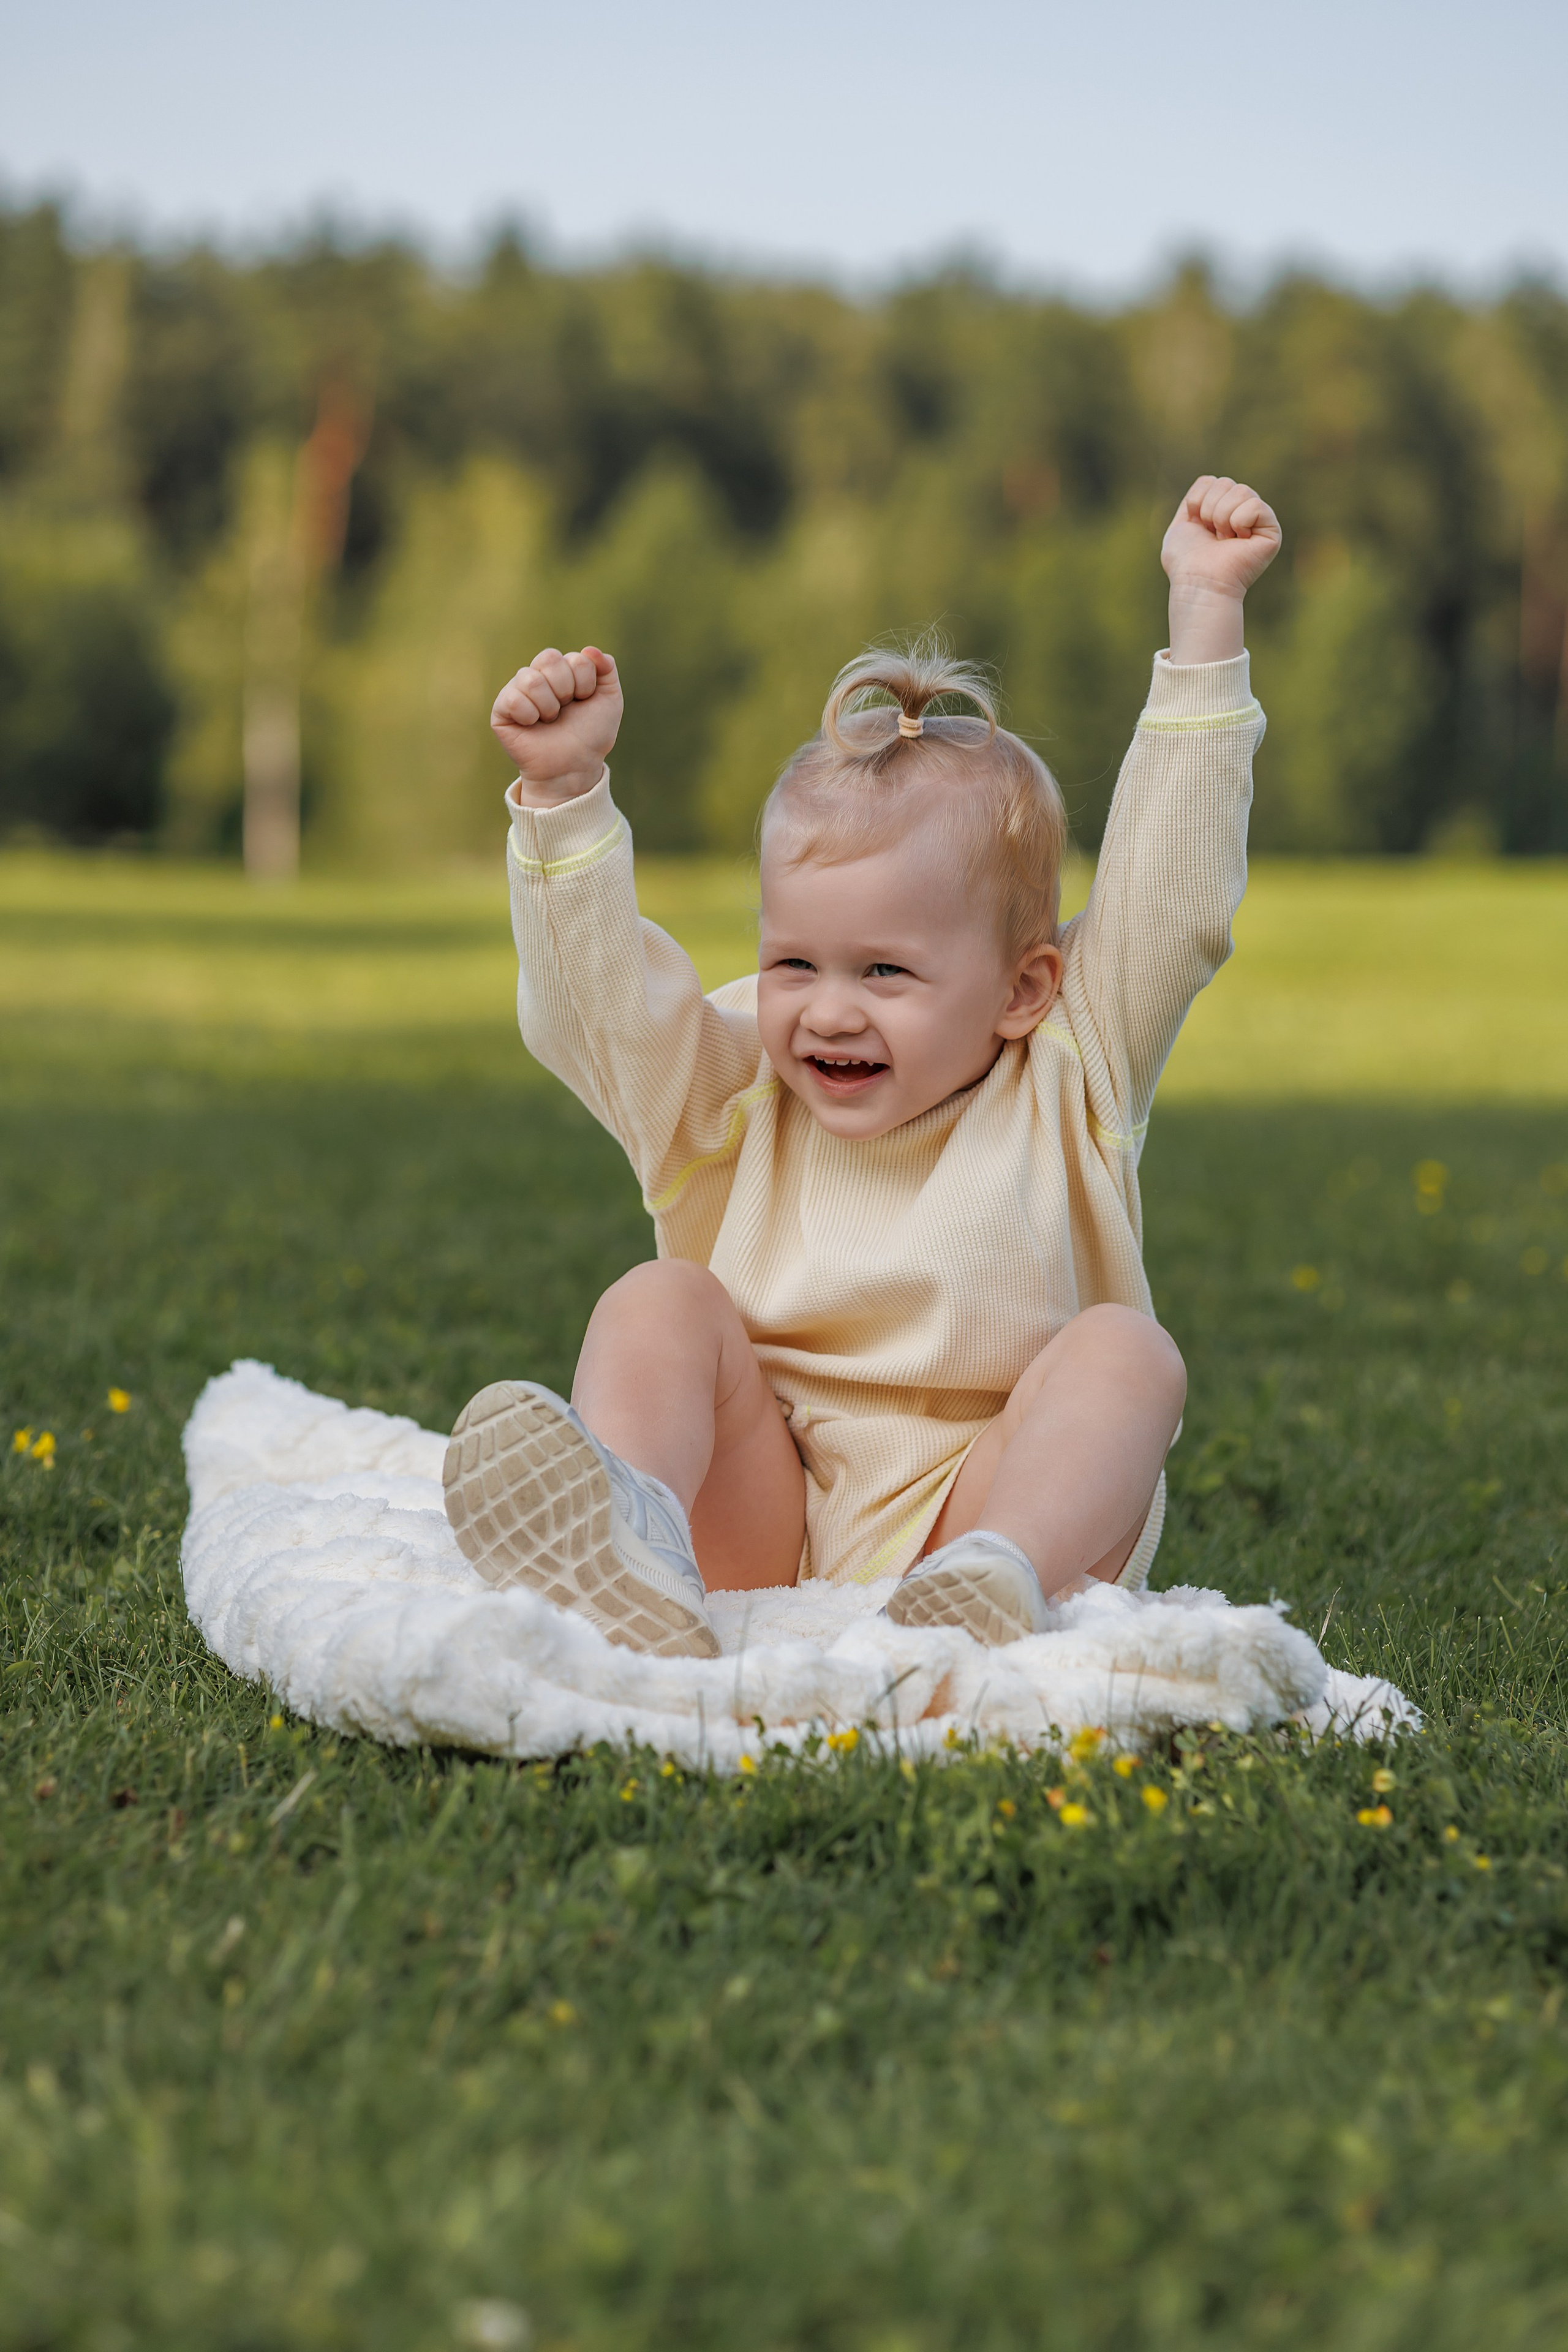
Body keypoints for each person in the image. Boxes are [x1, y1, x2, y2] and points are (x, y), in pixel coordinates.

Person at [443, 475, 1281, 1657]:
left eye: (885, 974)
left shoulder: (1066, 1063)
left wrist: (1204, 610)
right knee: (656, 1301)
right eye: (794, 961)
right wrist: (565, 797)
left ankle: (998, 1594)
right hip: (759, 1525)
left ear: (1022, 989)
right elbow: (597, 1012)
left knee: (1127, 1356)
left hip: (980, 1517)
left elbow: (1170, 894)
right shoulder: (731, 1088)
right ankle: (630, 1555)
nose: (826, 1013)